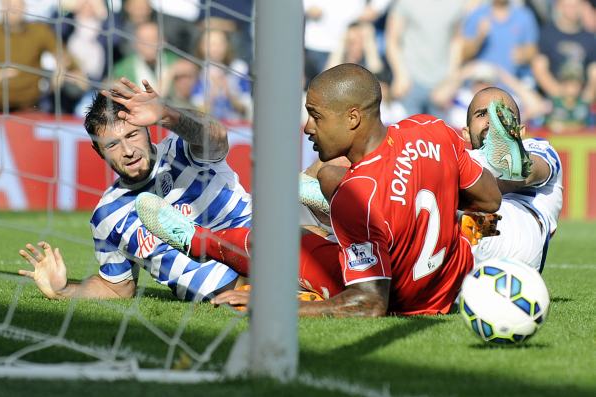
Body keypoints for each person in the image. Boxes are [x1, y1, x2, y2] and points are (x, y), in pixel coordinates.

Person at [136, 64, 503, 317]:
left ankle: (197, 241)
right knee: (331, 178)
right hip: (453, 282)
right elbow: (490, 200)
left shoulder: (360, 196)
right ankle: (325, 201)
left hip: (402, 301)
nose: (307, 127)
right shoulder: (431, 128)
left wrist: (276, 310)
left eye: (316, 114)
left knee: (282, 241)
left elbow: (369, 304)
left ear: (353, 118)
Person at [17, 77, 251, 301]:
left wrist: (168, 114)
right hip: (230, 296)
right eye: (112, 144)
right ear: (99, 151)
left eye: (132, 135)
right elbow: (117, 288)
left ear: (147, 130)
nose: (128, 150)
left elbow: (216, 136)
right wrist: (64, 290)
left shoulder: (182, 151)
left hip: (270, 258)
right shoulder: (107, 216)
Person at [463, 86, 563, 272]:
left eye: (502, 115)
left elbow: (530, 172)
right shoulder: (463, 158)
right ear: (466, 133)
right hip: (470, 229)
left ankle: (509, 156)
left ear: (521, 131)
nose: (492, 120)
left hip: (519, 229)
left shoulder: (539, 148)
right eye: (482, 114)